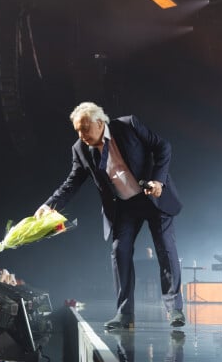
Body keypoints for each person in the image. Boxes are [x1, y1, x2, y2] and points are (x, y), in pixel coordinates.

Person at [35, 101, 185, 329]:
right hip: (124, 206)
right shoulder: (80, 149)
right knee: (119, 252)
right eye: (77, 130)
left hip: (152, 196)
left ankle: (174, 310)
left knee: (165, 248)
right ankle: (124, 314)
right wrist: (49, 205)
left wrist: (159, 181)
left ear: (99, 122)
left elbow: (163, 147)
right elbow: (72, 181)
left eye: (85, 128)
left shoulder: (128, 125)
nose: (81, 134)